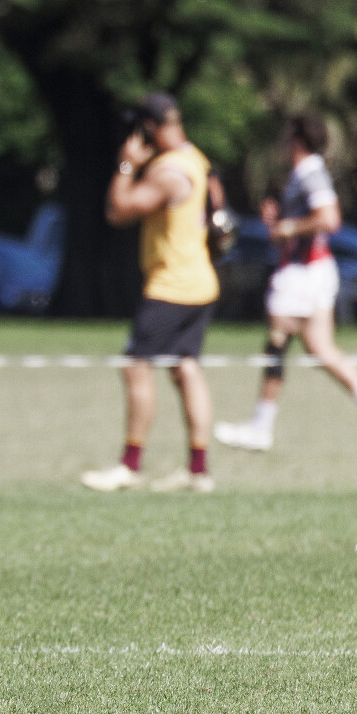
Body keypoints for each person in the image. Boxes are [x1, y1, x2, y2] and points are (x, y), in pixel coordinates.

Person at [215, 115, 357, 454]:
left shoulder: (310, 172)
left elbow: (329, 218)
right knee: (319, 349)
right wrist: (279, 223)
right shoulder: (303, 174)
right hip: (311, 270)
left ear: (297, 140)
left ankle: (261, 427)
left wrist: (289, 227)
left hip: (304, 272)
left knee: (278, 338)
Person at [82, 93, 223, 494]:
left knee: (136, 366)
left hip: (171, 285)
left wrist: (127, 165)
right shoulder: (197, 160)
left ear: (148, 127)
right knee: (186, 368)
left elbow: (119, 210)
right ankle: (198, 470)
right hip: (201, 281)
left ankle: (130, 465)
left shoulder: (167, 171)